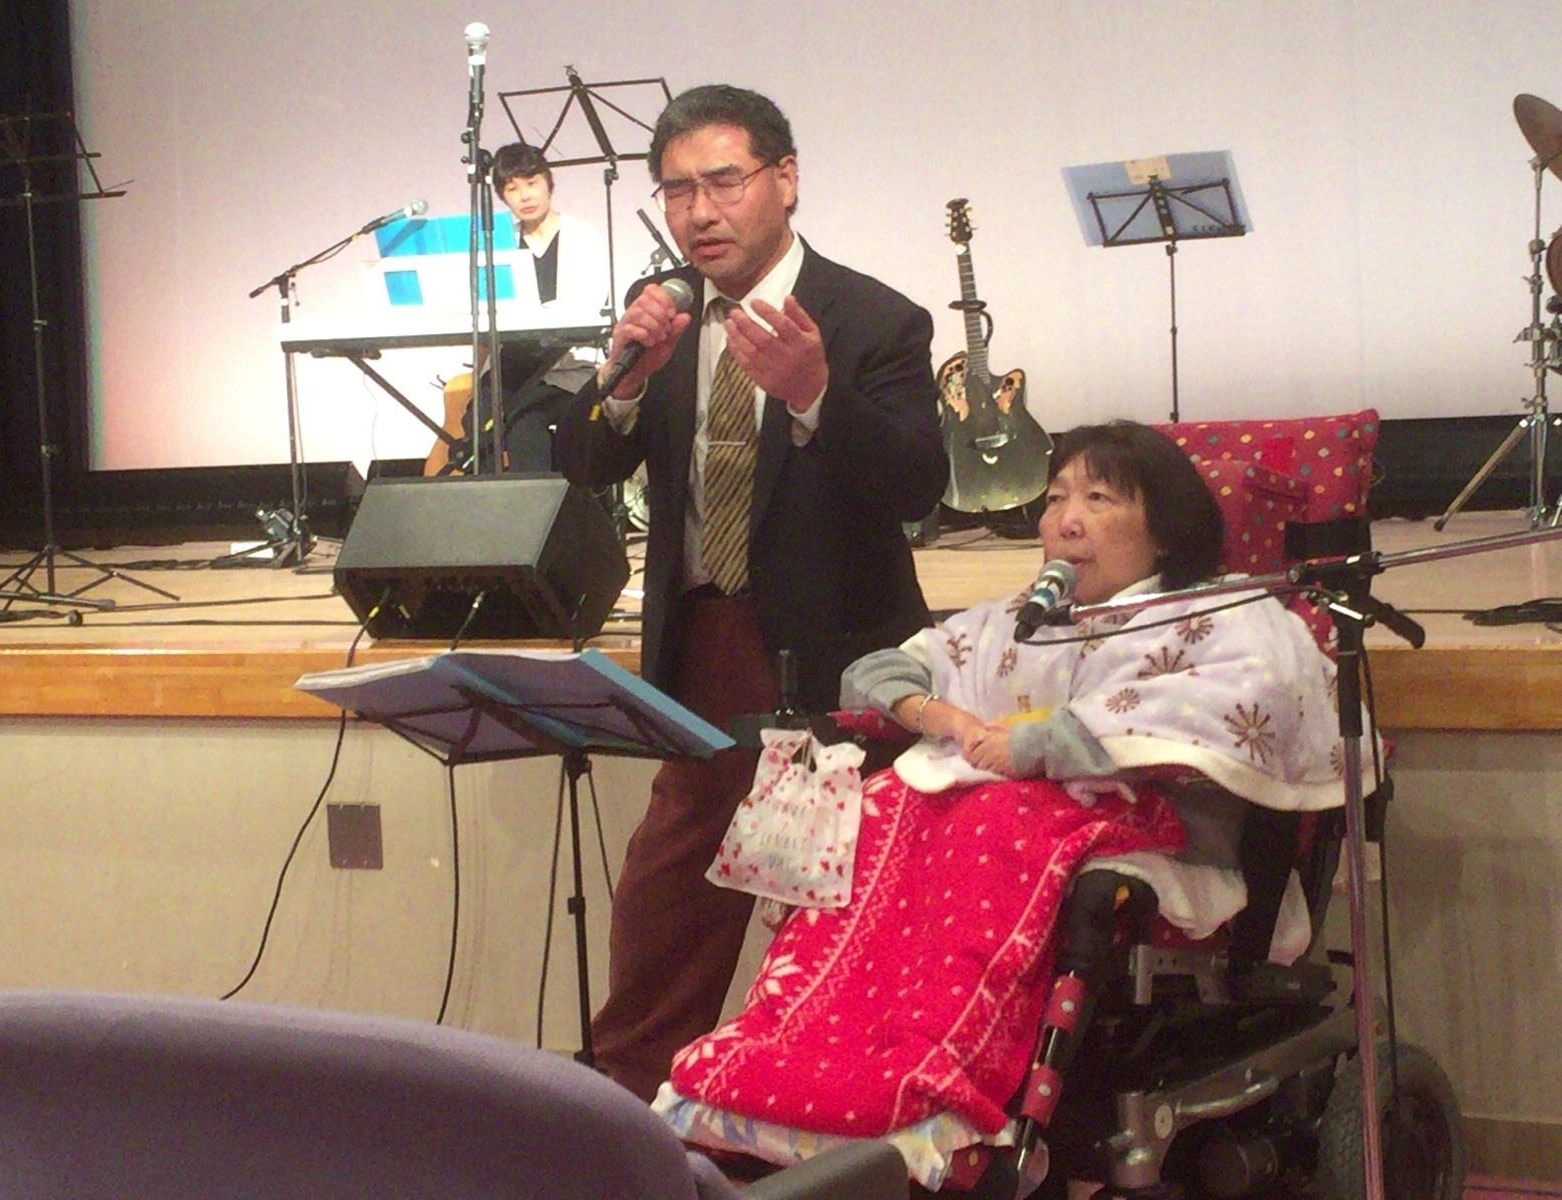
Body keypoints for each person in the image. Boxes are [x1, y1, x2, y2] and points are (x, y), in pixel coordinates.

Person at [655, 422, 1370, 1189]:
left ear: (1165, 529)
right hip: (995, 826)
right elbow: (877, 672)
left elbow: (1254, 698)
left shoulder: (1228, 613)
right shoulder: (1018, 619)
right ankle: (786, 1063)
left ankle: (935, 1084)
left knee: (998, 820)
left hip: (1165, 841)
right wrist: (942, 717)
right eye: (1056, 498)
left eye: (1099, 499)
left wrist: (1043, 744)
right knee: (882, 807)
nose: (1067, 520)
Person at [552, 84, 949, 1103]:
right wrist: (624, 380)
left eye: (723, 182)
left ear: (785, 179)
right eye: (677, 190)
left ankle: (817, 1121)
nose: (700, 212)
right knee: (665, 910)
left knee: (827, 926)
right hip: (700, 648)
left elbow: (917, 484)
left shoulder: (872, 318)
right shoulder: (667, 313)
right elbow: (581, 463)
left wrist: (816, 392)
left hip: (833, 664)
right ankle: (626, 1120)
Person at [429, 142, 610, 475]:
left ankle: (538, 506)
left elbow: (586, 308)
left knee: (522, 420)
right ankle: (487, 502)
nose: (525, 196)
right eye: (512, 189)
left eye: (531, 183)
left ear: (549, 183)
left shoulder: (582, 235)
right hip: (511, 366)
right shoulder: (498, 242)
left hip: (567, 367)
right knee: (478, 419)